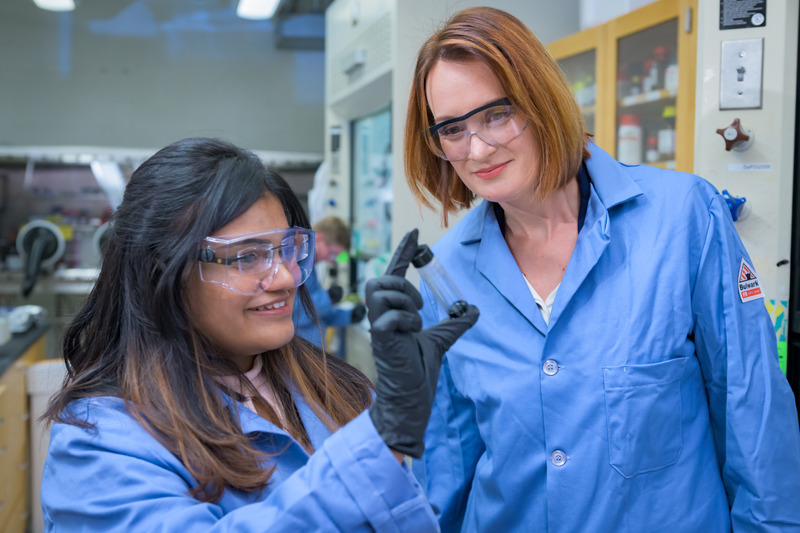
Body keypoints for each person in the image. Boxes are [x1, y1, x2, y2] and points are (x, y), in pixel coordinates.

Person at [402, 7, 800, 532]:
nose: (477, 148)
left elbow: (750, 407)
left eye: (497, 114)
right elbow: (448, 464)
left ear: (541, 99)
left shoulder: (681, 219)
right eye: (452, 129)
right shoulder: (445, 275)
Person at [40, 137, 479, 532]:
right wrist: (381, 439)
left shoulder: (337, 390)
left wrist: (429, 400)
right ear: (162, 271)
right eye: (248, 257)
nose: (288, 276)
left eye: (289, 249)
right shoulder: (101, 442)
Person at [292, 215, 366, 350]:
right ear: (318, 239)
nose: (332, 260)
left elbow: (318, 314)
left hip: (312, 353)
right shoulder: (294, 265)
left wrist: (349, 315)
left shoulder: (310, 270)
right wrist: (327, 297)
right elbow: (295, 315)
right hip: (297, 354)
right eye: (332, 253)